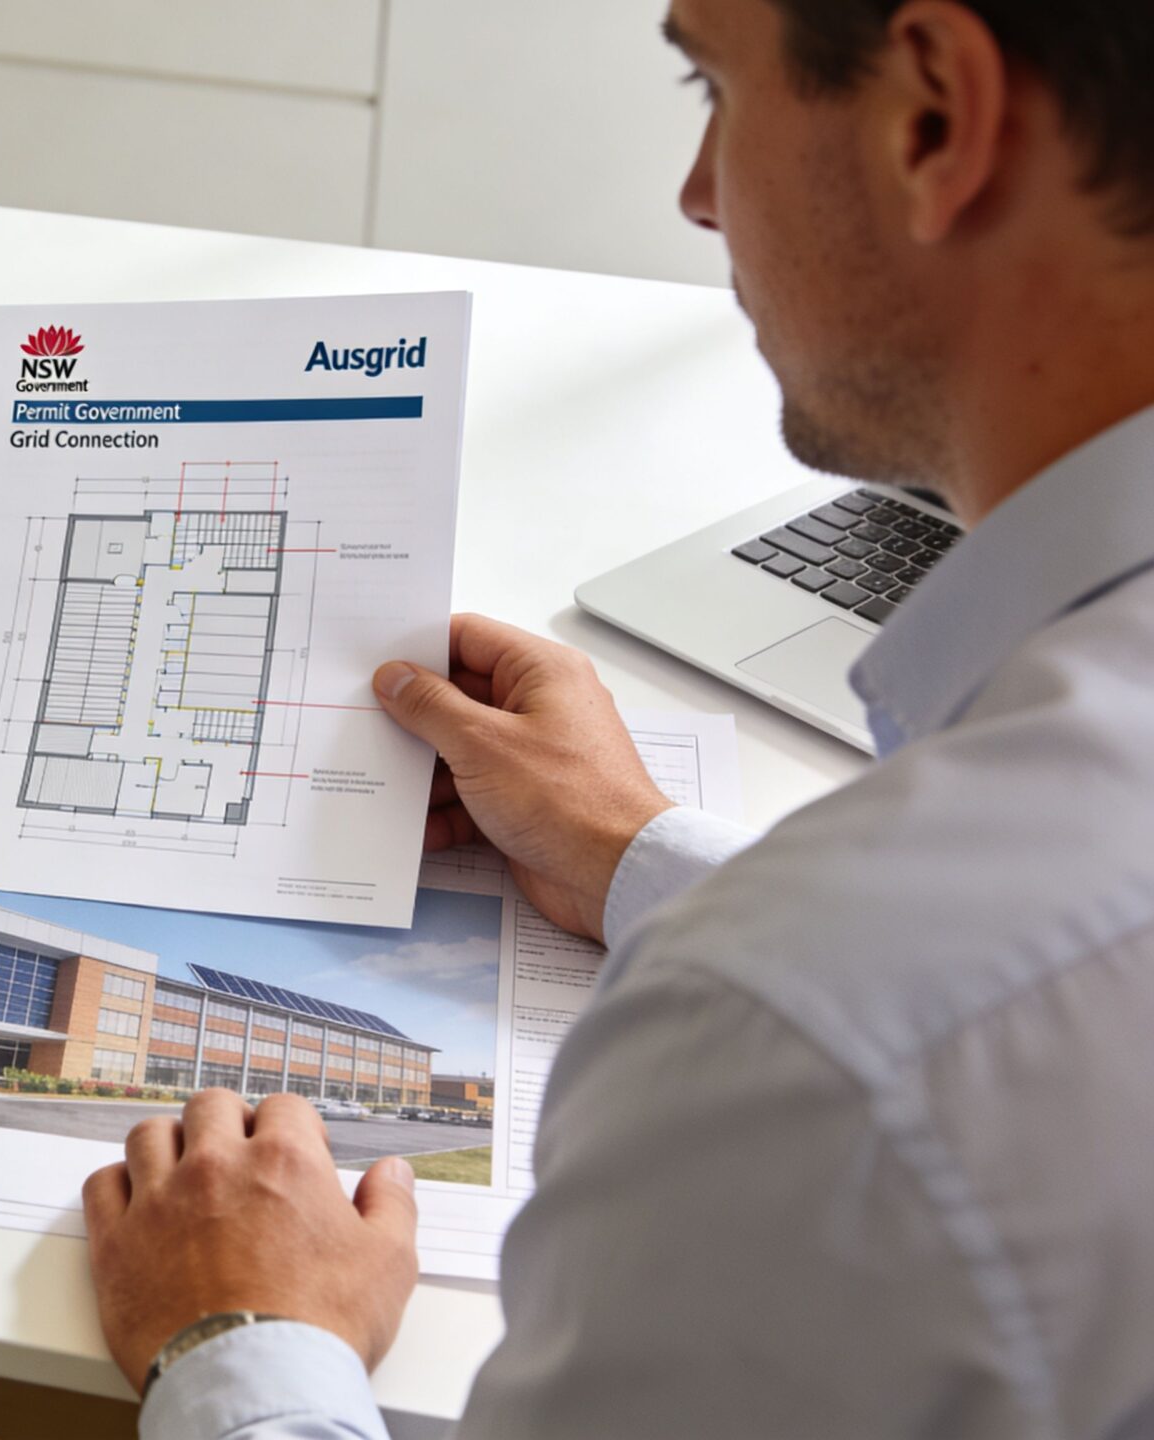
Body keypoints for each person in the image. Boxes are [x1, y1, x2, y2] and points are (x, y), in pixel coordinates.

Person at [82, 0, 1154, 1434]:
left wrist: (242, 1342)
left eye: (710, 81)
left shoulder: (801, 1057)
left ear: (934, 119)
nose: (698, 191)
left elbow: (908, 1023)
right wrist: (642, 854)